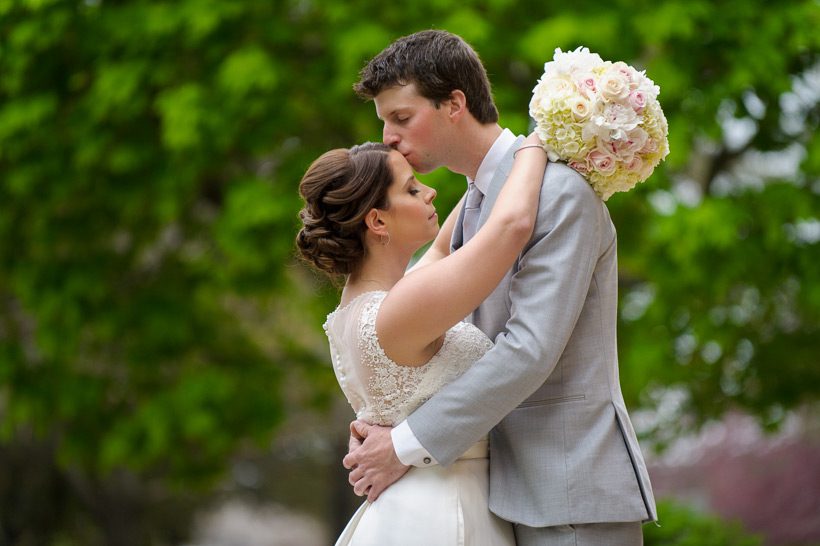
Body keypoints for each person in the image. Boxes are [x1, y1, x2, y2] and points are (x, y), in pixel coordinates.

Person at [343, 29, 657, 546]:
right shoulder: (473, 203)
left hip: (569, 495)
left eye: (401, 117)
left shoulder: (559, 192)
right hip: (499, 495)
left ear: (454, 104)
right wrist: (385, 418)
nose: (389, 138)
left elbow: (530, 349)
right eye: (385, 123)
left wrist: (402, 445)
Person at [296, 133, 548, 544]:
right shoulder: (398, 312)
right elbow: (511, 226)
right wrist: (539, 141)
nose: (430, 192)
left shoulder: (368, 306)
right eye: (412, 189)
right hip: (443, 511)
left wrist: (489, 163)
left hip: (421, 501)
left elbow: (444, 250)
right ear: (377, 221)